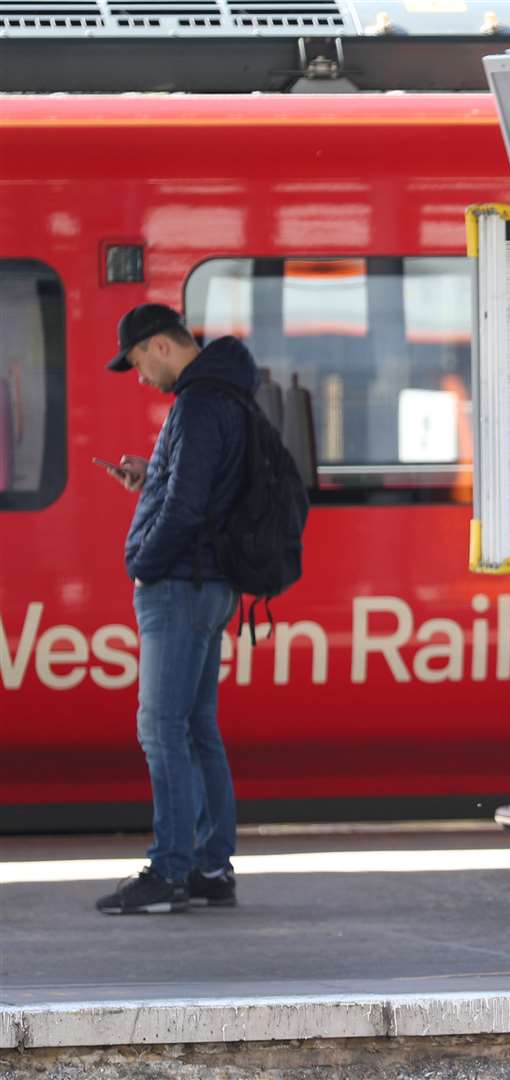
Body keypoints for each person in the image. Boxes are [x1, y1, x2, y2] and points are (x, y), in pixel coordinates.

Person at [94, 304, 253, 915]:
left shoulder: (196, 403)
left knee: (160, 728)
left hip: (180, 585)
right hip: (207, 584)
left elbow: (186, 509)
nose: (140, 377)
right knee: (195, 727)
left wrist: (144, 560)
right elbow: (194, 490)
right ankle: (211, 867)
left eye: (137, 362)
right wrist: (151, 473)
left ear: (159, 346)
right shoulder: (226, 394)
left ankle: (170, 871)